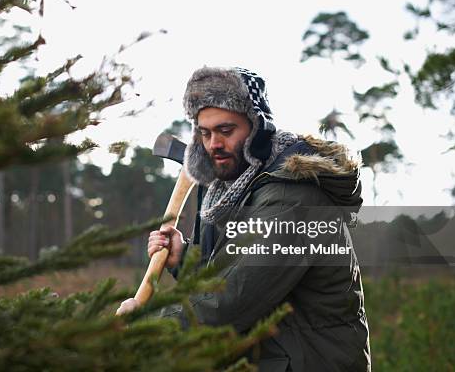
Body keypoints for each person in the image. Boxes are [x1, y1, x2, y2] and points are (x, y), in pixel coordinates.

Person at [118, 66, 371, 371]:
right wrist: (182, 259)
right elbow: (234, 273)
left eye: (226, 131)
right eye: (205, 133)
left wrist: (144, 324)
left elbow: (226, 304)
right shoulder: (237, 190)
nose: (214, 144)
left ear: (257, 129)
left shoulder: (291, 199)